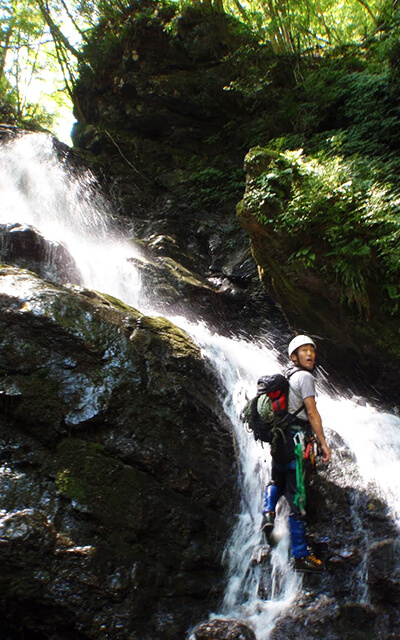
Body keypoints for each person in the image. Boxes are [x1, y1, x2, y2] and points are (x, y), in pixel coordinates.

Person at [260, 334, 331, 573]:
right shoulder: (304, 377)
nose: (310, 354)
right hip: (298, 444)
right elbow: (312, 413)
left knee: (275, 481)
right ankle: (300, 556)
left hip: (279, 443)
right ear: (294, 356)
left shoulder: (284, 379)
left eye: (312, 349)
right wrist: (323, 444)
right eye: (304, 350)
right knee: (297, 501)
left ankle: (268, 514)